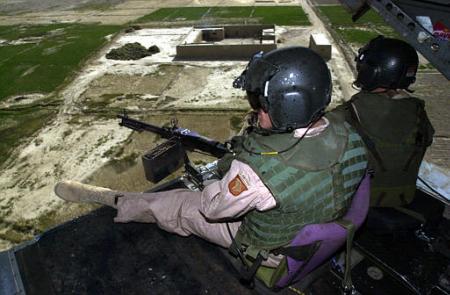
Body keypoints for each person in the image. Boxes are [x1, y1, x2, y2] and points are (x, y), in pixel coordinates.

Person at [55, 47, 368, 288]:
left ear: (289, 106)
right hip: (316, 222)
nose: (256, 109)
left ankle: (117, 201)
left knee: (181, 204)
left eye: (262, 104)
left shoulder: (258, 171)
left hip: (272, 252)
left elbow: (213, 208)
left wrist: (224, 174)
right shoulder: (350, 134)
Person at [332, 36, 434, 207]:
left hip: (356, 206)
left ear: (372, 71)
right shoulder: (419, 114)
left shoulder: (346, 115)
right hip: (404, 199)